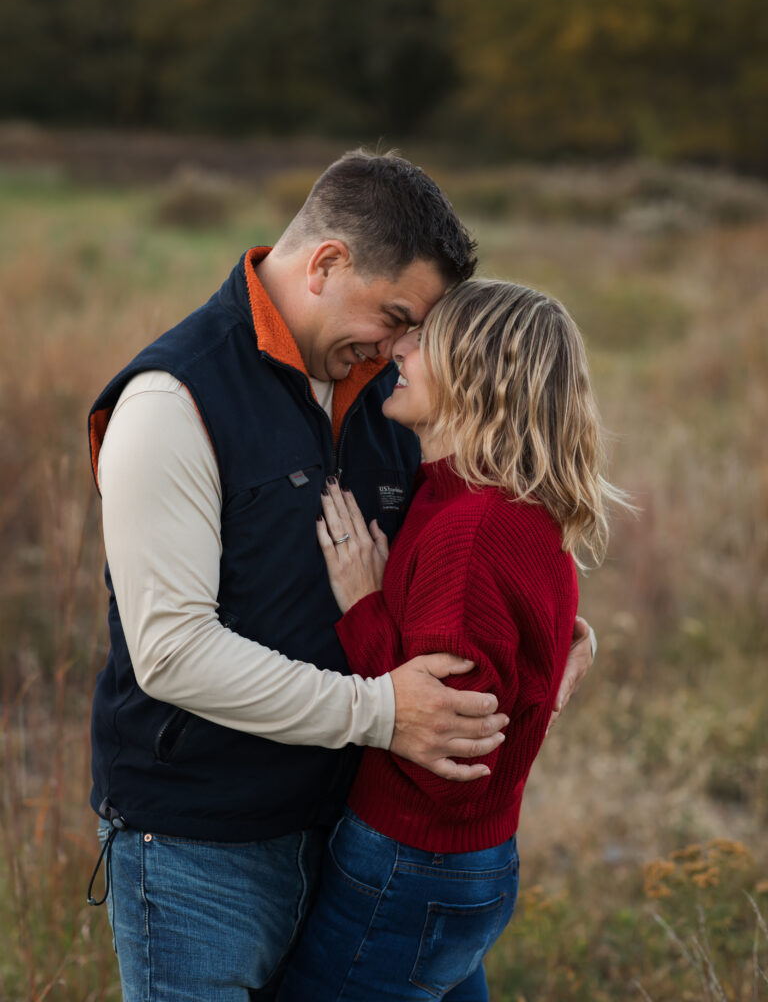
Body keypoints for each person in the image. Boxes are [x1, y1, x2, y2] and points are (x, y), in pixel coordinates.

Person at [86, 150, 595, 1001]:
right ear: (326, 264)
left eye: (416, 332)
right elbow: (170, 652)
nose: (402, 349)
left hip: (359, 833)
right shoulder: (171, 403)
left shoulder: (385, 396)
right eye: (396, 316)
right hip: (204, 848)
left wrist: (556, 626)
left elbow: (477, 530)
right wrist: (381, 712)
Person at [278, 279, 623, 1001]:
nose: (397, 347)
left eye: (422, 341)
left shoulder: (470, 533)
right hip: (461, 864)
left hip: (411, 865)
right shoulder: (473, 499)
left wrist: (365, 609)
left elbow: (447, 763)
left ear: (477, 378)